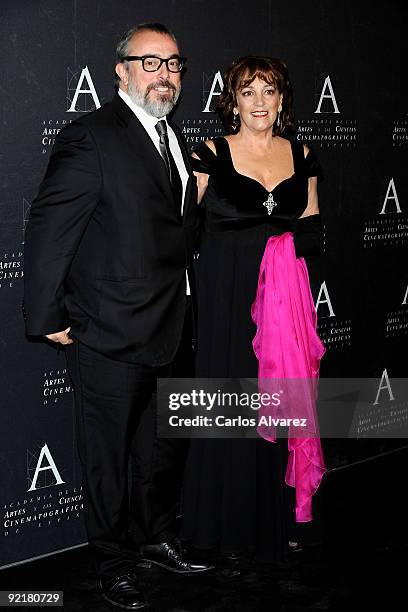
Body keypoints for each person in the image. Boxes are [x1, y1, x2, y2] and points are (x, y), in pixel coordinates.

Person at [23, 22, 212, 611]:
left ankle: (153, 536)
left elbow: (175, 231)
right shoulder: (91, 136)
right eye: (150, 63)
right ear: (121, 71)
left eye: (175, 64)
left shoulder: (176, 138)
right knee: (106, 456)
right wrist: (45, 312)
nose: (166, 75)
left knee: (161, 449)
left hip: (172, 323)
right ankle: (111, 559)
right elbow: (52, 229)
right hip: (108, 327)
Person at [180, 55, 326, 568]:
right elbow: (181, 227)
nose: (260, 102)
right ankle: (226, 526)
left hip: (282, 300)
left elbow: (312, 226)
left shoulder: (302, 153)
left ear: (282, 99)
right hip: (227, 298)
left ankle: (277, 523)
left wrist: (285, 251)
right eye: (249, 91)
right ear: (233, 101)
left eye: (269, 91)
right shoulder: (209, 154)